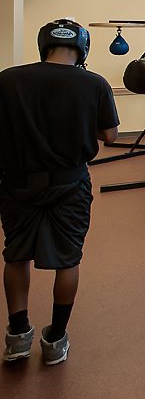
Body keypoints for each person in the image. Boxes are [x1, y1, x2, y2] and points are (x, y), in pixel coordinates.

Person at [1, 19, 119, 365]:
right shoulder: (94, 83)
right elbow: (110, 136)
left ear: (43, 45)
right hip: (70, 183)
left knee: (15, 255)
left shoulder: (7, 79)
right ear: (82, 48)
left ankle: (18, 336)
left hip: (18, 182)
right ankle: (55, 339)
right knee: (68, 259)